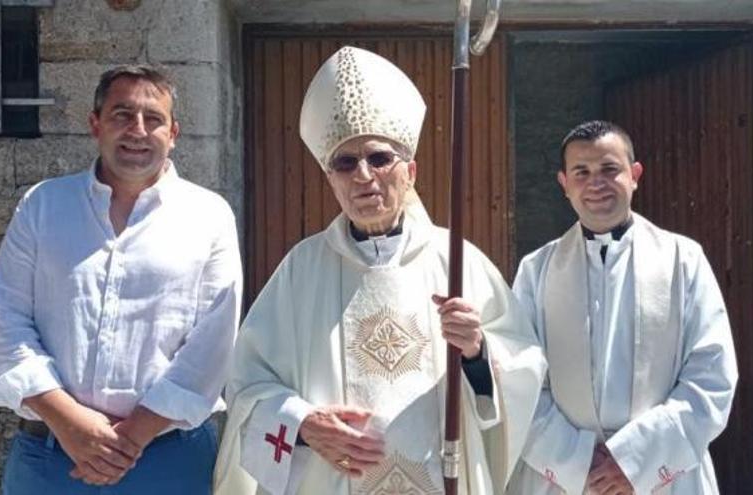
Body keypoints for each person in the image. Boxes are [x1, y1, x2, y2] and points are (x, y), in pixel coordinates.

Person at [213, 46, 544, 495]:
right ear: (330, 178)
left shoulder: (456, 259)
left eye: (379, 158)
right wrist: (303, 423)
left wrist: (477, 352)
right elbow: (247, 383)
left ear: (410, 171)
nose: (363, 176)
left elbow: (524, 365)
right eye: (345, 164)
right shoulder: (301, 270)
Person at [0, 65, 242, 494]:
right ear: (95, 124)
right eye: (122, 114)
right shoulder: (43, 205)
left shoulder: (209, 215)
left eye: (153, 118)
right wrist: (70, 423)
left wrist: (132, 437)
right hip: (51, 459)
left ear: (172, 133)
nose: (138, 130)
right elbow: (4, 322)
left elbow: (212, 345)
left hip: (168, 461)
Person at [508, 120, 738, 495]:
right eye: (581, 172)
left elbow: (712, 376)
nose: (595, 183)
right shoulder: (537, 270)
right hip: (567, 479)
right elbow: (520, 377)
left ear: (634, 175)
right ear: (564, 184)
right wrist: (575, 461)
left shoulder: (684, 259)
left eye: (609, 169)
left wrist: (633, 461)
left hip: (664, 474)